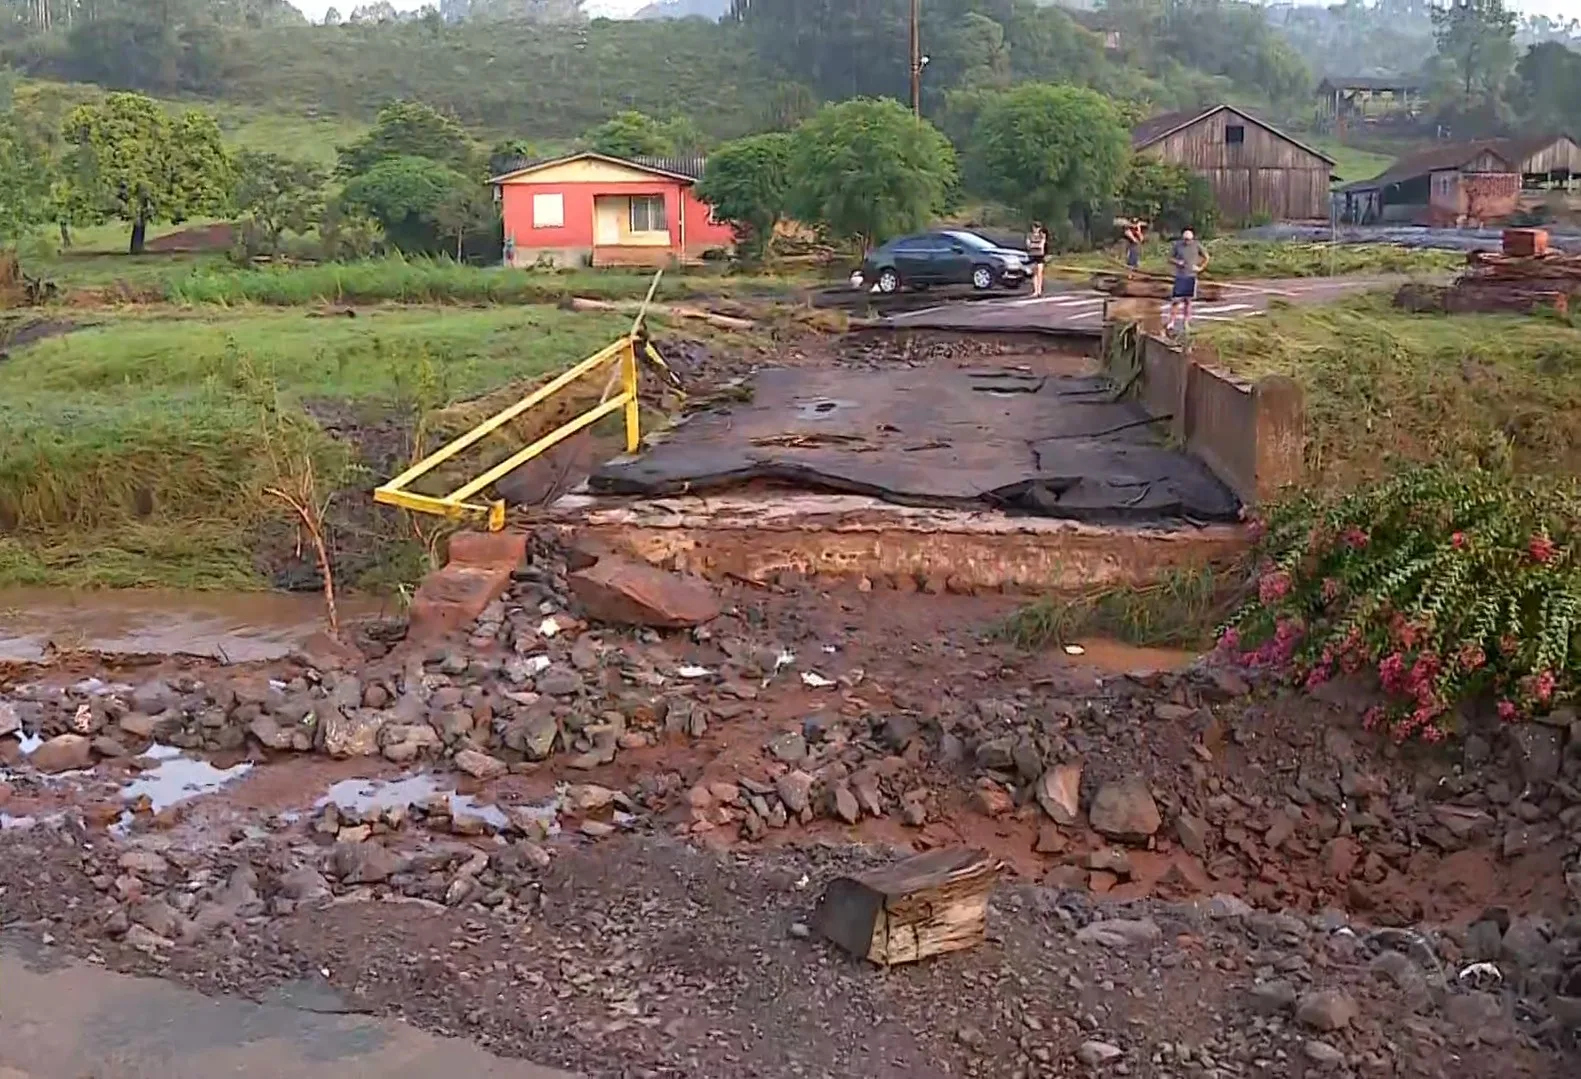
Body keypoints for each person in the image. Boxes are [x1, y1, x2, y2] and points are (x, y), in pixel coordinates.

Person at [1168, 227, 1208, 336]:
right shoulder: (1177, 245)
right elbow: (1169, 258)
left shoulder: (1196, 245)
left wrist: (1200, 268)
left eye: (1189, 240)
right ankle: (1171, 321)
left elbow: (1206, 257)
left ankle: (1186, 322)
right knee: (1176, 301)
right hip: (1180, 276)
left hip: (1191, 276)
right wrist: (1177, 262)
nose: (1187, 242)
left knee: (1188, 301)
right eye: (1185, 239)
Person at [1026, 221, 1049, 297]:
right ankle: (1035, 291)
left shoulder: (1042, 235)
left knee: (1040, 273)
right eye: (1035, 227)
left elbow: (1041, 245)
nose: (1036, 229)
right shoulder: (1029, 235)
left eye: (1038, 227)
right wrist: (1035, 245)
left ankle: (1039, 291)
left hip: (1040, 256)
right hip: (1032, 255)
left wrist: (1034, 245)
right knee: (1034, 274)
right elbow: (1028, 245)